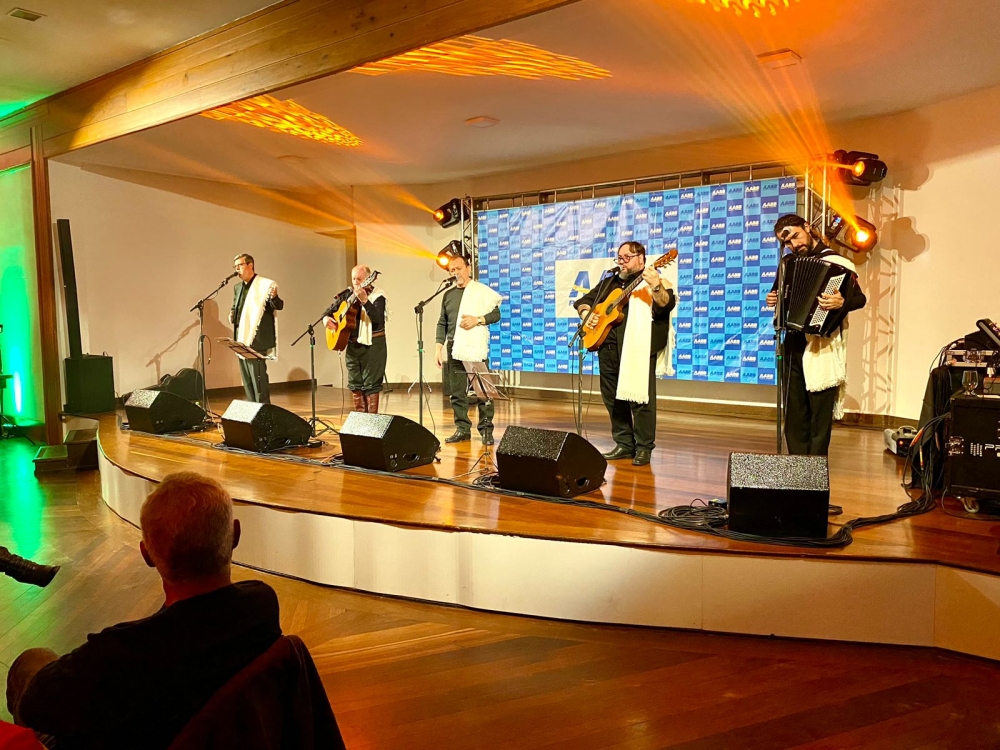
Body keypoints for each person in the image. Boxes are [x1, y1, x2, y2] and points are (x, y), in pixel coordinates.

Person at [6, 473, 282, 749]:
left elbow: (34, 708)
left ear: (146, 554)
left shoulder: (119, 654)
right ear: (235, 534)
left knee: (31, 661)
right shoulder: (262, 604)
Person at [766, 214, 867, 455]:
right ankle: (797, 463)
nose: (794, 244)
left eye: (796, 236)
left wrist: (841, 302)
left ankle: (816, 465)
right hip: (793, 342)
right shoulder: (788, 263)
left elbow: (860, 299)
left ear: (807, 228)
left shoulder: (837, 263)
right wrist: (773, 298)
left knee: (819, 412)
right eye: (787, 242)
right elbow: (778, 293)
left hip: (823, 344)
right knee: (794, 410)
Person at [574, 241, 675, 467]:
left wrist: (655, 286)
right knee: (612, 399)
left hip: (637, 349)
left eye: (626, 257)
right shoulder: (610, 282)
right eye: (619, 258)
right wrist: (586, 314)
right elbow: (584, 301)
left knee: (641, 401)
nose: (622, 262)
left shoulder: (653, 280)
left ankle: (644, 447)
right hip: (607, 349)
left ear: (641, 258)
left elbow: (665, 305)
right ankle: (624, 444)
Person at [435, 255, 502, 445]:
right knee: (457, 392)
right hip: (454, 347)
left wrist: (478, 319)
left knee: (483, 391)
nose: (456, 273)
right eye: (452, 270)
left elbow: (496, 314)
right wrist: (438, 348)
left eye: (459, 268)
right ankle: (462, 429)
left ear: (468, 268)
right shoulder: (448, 295)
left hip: (474, 346)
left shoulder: (480, 291)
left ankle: (486, 430)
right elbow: (442, 323)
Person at [323, 264, 387, 413]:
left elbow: (378, 320)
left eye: (359, 279)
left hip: (373, 346)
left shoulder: (378, 296)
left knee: (371, 385)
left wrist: (365, 301)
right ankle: (360, 420)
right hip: (352, 346)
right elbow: (328, 312)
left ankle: (372, 421)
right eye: (353, 279)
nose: (356, 282)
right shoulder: (348, 295)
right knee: (355, 383)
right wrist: (326, 319)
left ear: (369, 280)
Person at [229, 253, 283, 404]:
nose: (237, 269)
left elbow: (278, 306)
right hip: (241, 337)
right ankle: (252, 407)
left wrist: (274, 297)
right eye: (235, 266)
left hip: (257, 338)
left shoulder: (265, 285)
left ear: (250, 265)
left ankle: (264, 408)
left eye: (240, 265)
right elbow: (236, 306)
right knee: (247, 378)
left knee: (258, 378)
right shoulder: (237, 287)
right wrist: (232, 313)